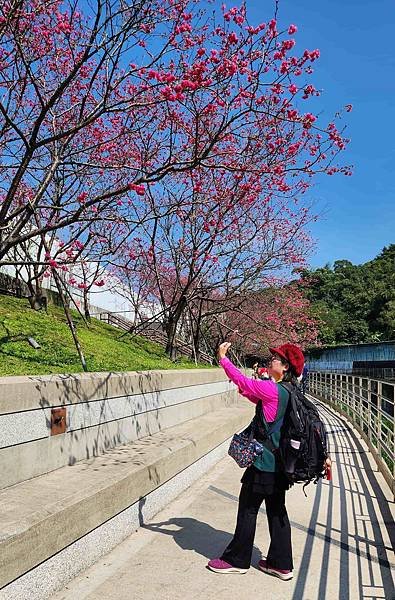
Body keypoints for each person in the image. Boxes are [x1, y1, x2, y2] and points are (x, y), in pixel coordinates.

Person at [207, 341, 331, 581]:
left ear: (284, 367)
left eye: (275, 358)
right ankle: (281, 564)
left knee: (248, 509)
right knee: (277, 512)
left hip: (264, 464)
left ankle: (237, 560)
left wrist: (223, 358)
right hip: (281, 465)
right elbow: (261, 401)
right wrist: (246, 390)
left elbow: (245, 382)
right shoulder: (289, 391)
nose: (270, 360)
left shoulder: (273, 390)